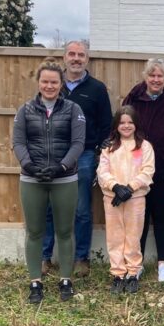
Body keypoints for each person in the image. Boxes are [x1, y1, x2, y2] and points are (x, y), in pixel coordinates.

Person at [13, 58, 86, 303]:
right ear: (38, 83)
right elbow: (18, 142)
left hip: (64, 179)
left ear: (61, 83)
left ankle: (66, 279)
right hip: (32, 179)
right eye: (45, 81)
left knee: (65, 231)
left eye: (54, 82)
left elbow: (78, 143)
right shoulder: (24, 110)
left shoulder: (73, 110)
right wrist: (29, 166)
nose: (49, 86)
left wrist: (61, 166)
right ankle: (35, 282)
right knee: (34, 232)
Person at [42, 41, 112, 278]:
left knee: (82, 209)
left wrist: (98, 153)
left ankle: (81, 258)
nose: (76, 58)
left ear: (87, 59)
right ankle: (44, 257)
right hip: (54, 154)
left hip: (84, 156)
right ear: (64, 57)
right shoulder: (53, 85)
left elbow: (106, 126)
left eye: (81, 55)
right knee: (50, 207)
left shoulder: (97, 89)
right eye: (72, 54)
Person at [123, 58, 164, 282]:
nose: (156, 79)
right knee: (137, 218)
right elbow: (123, 126)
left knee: (161, 216)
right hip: (135, 170)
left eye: (160, 76)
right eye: (152, 75)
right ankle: (135, 263)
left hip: (162, 169)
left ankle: (162, 263)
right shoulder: (134, 97)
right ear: (145, 76)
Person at [97, 105, 155, 295]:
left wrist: (129, 188)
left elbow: (148, 171)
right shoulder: (109, 147)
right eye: (122, 122)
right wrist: (115, 187)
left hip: (135, 199)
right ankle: (118, 274)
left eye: (130, 122)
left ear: (136, 124)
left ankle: (133, 272)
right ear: (116, 125)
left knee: (133, 236)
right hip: (112, 199)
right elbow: (102, 171)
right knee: (115, 236)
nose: (126, 126)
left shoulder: (144, 146)